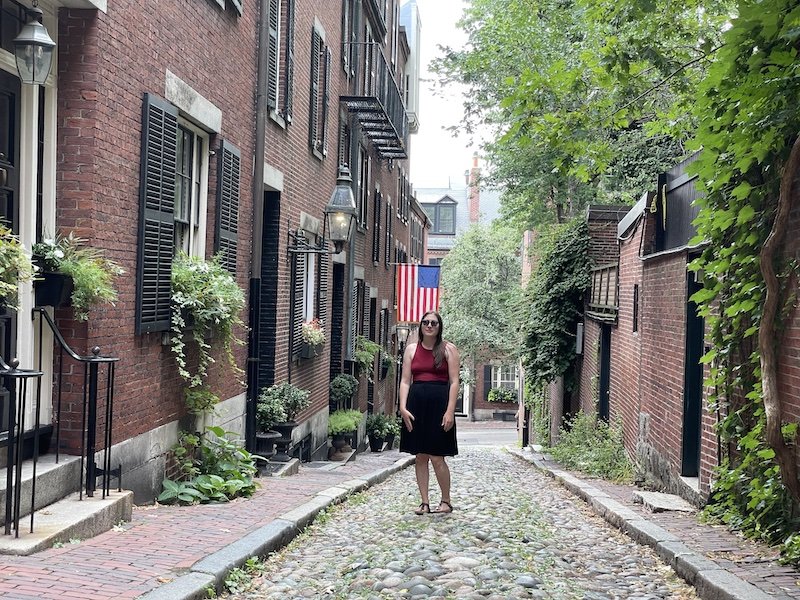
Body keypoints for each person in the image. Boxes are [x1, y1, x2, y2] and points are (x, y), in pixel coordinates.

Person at [399, 310, 460, 515]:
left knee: (437, 457)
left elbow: (454, 382)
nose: (430, 326)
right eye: (426, 322)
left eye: (434, 323)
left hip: (440, 407)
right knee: (420, 456)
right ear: (421, 325)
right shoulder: (410, 350)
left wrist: (450, 410)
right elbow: (405, 380)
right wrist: (403, 407)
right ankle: (424, 502)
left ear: (439, 326)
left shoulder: (448, 349)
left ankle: (446, 501)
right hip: (416, 407)